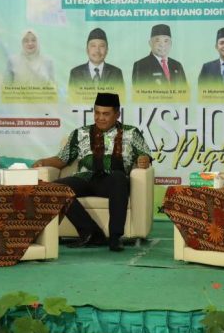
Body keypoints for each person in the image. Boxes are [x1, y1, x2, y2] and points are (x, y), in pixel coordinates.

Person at [33, 93, 152, 252]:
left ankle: (115, 237)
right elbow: (62, 159)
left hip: (112, 182)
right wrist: (43, 162)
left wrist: (144, 159)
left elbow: (144, 154)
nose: (100, 118)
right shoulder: (80, 133)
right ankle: (90, 232)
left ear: (117, 114)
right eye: (97, 113)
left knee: (118, 177)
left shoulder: (131, 133)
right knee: (53, 188)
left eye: (106, 114)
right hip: (85, 178)